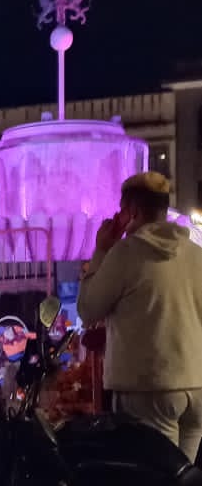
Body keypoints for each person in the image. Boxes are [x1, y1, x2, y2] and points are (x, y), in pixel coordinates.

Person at [77, 170, 202, 460]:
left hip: (150, 389)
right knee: (184, 479)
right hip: (197, 386)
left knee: (154, 480)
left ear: (132, 211)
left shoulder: (126, 253)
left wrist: (101, 250)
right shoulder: (196, 254)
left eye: (122, 210)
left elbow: (89, 309)